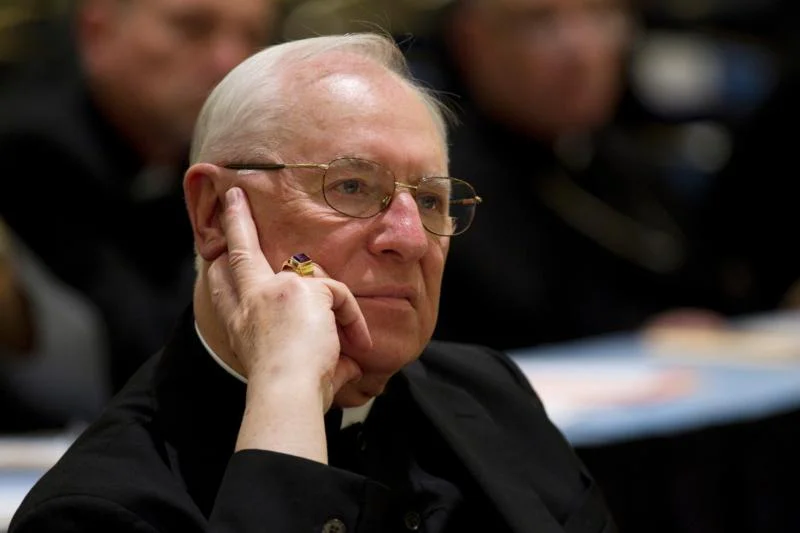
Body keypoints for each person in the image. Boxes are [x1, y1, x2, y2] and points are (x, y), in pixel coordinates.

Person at [9, 33, 617, 532]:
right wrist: (287, 389)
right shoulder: (95, 511)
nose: (410, 238)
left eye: (431, 200)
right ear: (214, 215)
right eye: (351, 186)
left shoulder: (490, 392)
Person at [0, 0, 277, 429]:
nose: (230, 62)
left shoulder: (191, 153)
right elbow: (146, 358)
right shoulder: (34, 151)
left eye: (252, 38)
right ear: (97, 32)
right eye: (192, 28)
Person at [402, 0, 722, 351]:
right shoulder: (440, 184)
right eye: (540, 22)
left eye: (601, 15)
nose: (581, 51)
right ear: (471, 42)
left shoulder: (623, 159)